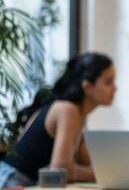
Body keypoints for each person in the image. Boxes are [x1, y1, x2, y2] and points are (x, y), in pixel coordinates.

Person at [1, 53, 116, 187]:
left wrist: (102, 169)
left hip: (21, 180)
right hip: (11, 180)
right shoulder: (68, 109)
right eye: (109, 82)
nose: (115, 88)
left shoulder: (78, 115)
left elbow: (85, 162)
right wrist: (99, 173)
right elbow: (60, 167)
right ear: (87, 87)